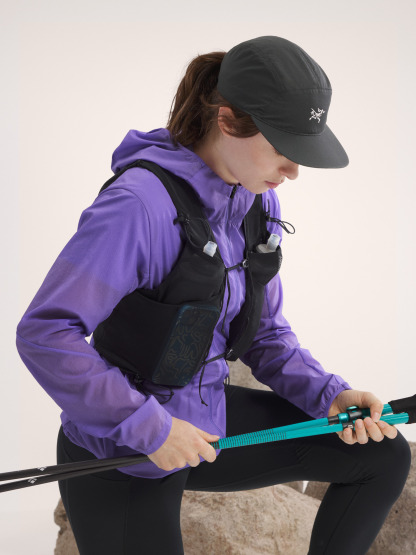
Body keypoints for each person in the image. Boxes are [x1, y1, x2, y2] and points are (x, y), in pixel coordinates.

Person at [16, 36, 410, 555]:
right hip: (124, 452)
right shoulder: (137, 207)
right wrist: (150, 428)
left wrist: (329, 395)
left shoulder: (255, 201)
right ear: (227, 121)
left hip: (207, 421)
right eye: (283, 148)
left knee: (380, 456)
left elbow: (264, 334)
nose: (294, 171)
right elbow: (45, 333)